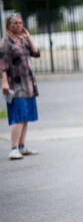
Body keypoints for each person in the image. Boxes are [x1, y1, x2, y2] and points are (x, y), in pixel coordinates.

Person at [1, 13, 40, 160]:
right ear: (8, 25)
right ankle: (13, 148)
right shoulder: (6, 42)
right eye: (15, 23)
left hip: (28, 84)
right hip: (15, 85)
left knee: (25, 116)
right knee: (18, 116)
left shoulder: (22, 41)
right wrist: (4, 82)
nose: (19, 26)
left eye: (20, 23)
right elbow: (2, 64)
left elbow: (36, 53)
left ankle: (22, 146)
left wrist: (28, 37)